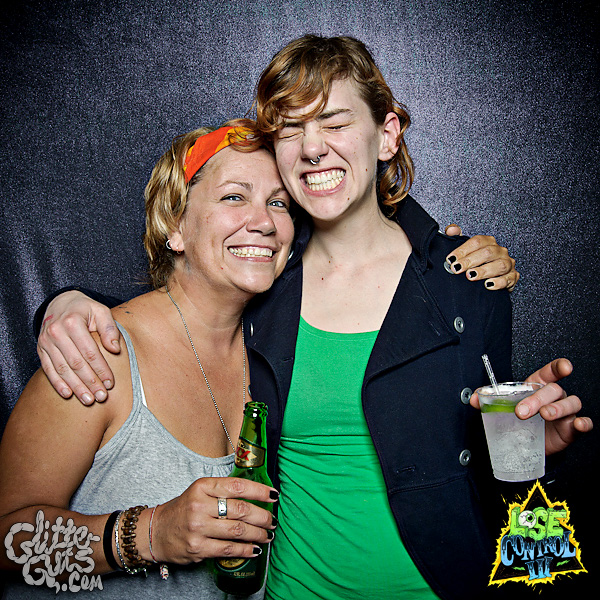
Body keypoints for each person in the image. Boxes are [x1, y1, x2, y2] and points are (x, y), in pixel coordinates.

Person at [32, 36, 592, 599]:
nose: (314, 148)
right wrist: (65, 302)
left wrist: (529, 454)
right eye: (290, 130)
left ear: (388, 135)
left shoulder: (467, 284)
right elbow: (185, 298)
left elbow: (485, 480)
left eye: (335, 122)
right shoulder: (266, 285)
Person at [0, 122, 288, 598]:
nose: (264, 222)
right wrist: (150, 534)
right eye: (234, 197)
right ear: (175, 226)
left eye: (279, 203)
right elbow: (8, 541)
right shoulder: (95, 353)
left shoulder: (280, 359)